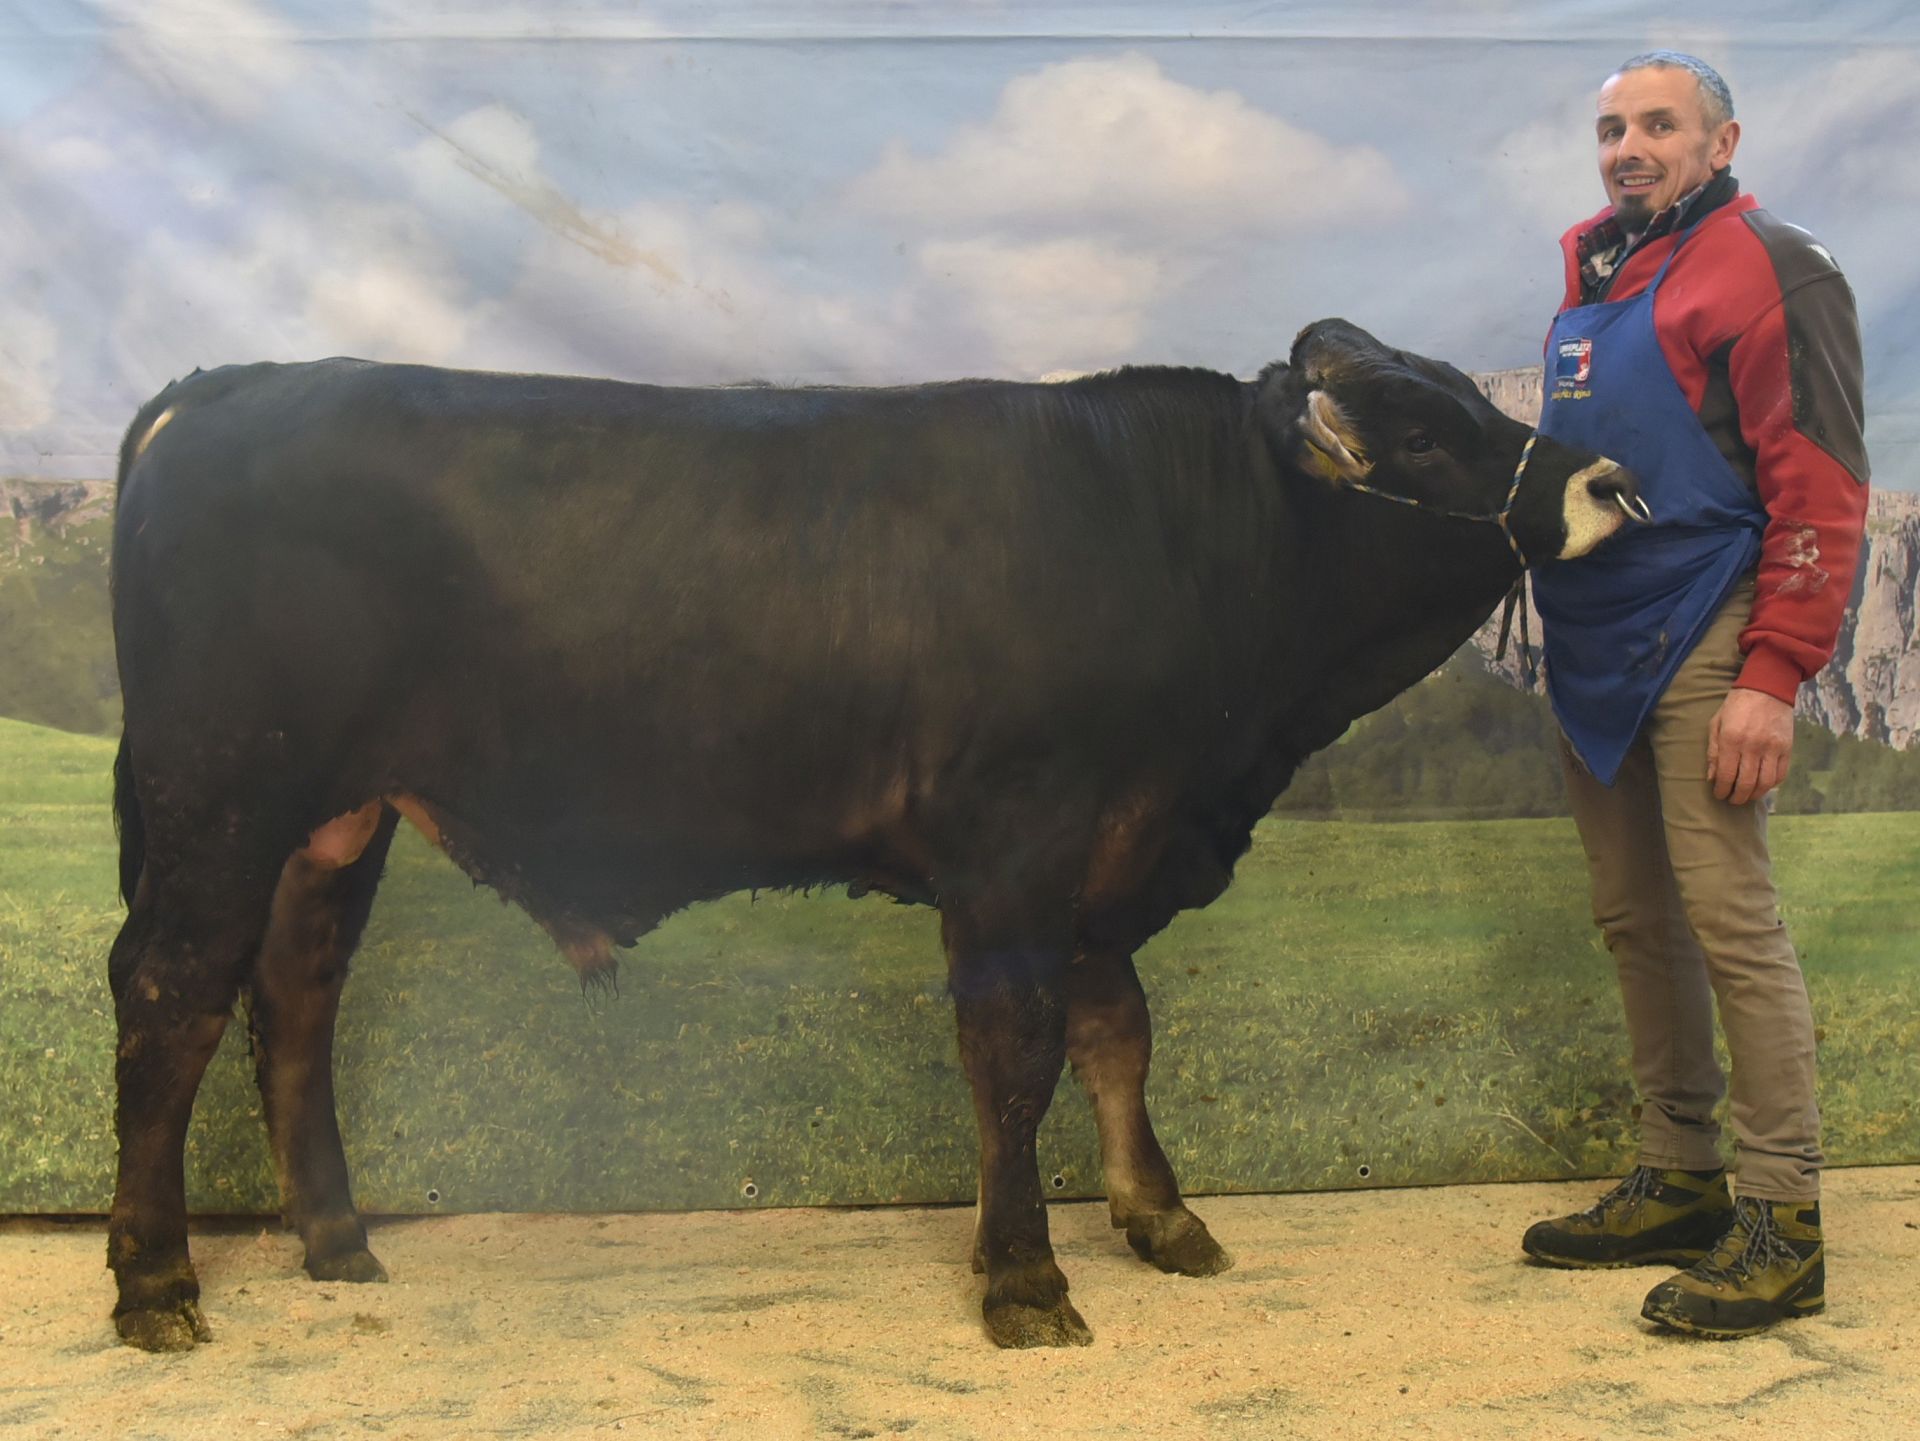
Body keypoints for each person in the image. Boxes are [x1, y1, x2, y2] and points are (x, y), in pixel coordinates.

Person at [1520, 51, 1869, 1338]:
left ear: (1721, 144)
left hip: (1712, 624)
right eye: (1611, 127)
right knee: (1635, 918)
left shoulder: (1774, 267)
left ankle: (1783, 1220)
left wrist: (1771, 676)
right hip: (1596, 642)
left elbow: (1820, 480)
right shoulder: (1594, 273)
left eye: (1659, 124)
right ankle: (1678, 1174)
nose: (1628, 146)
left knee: (1730, 922)